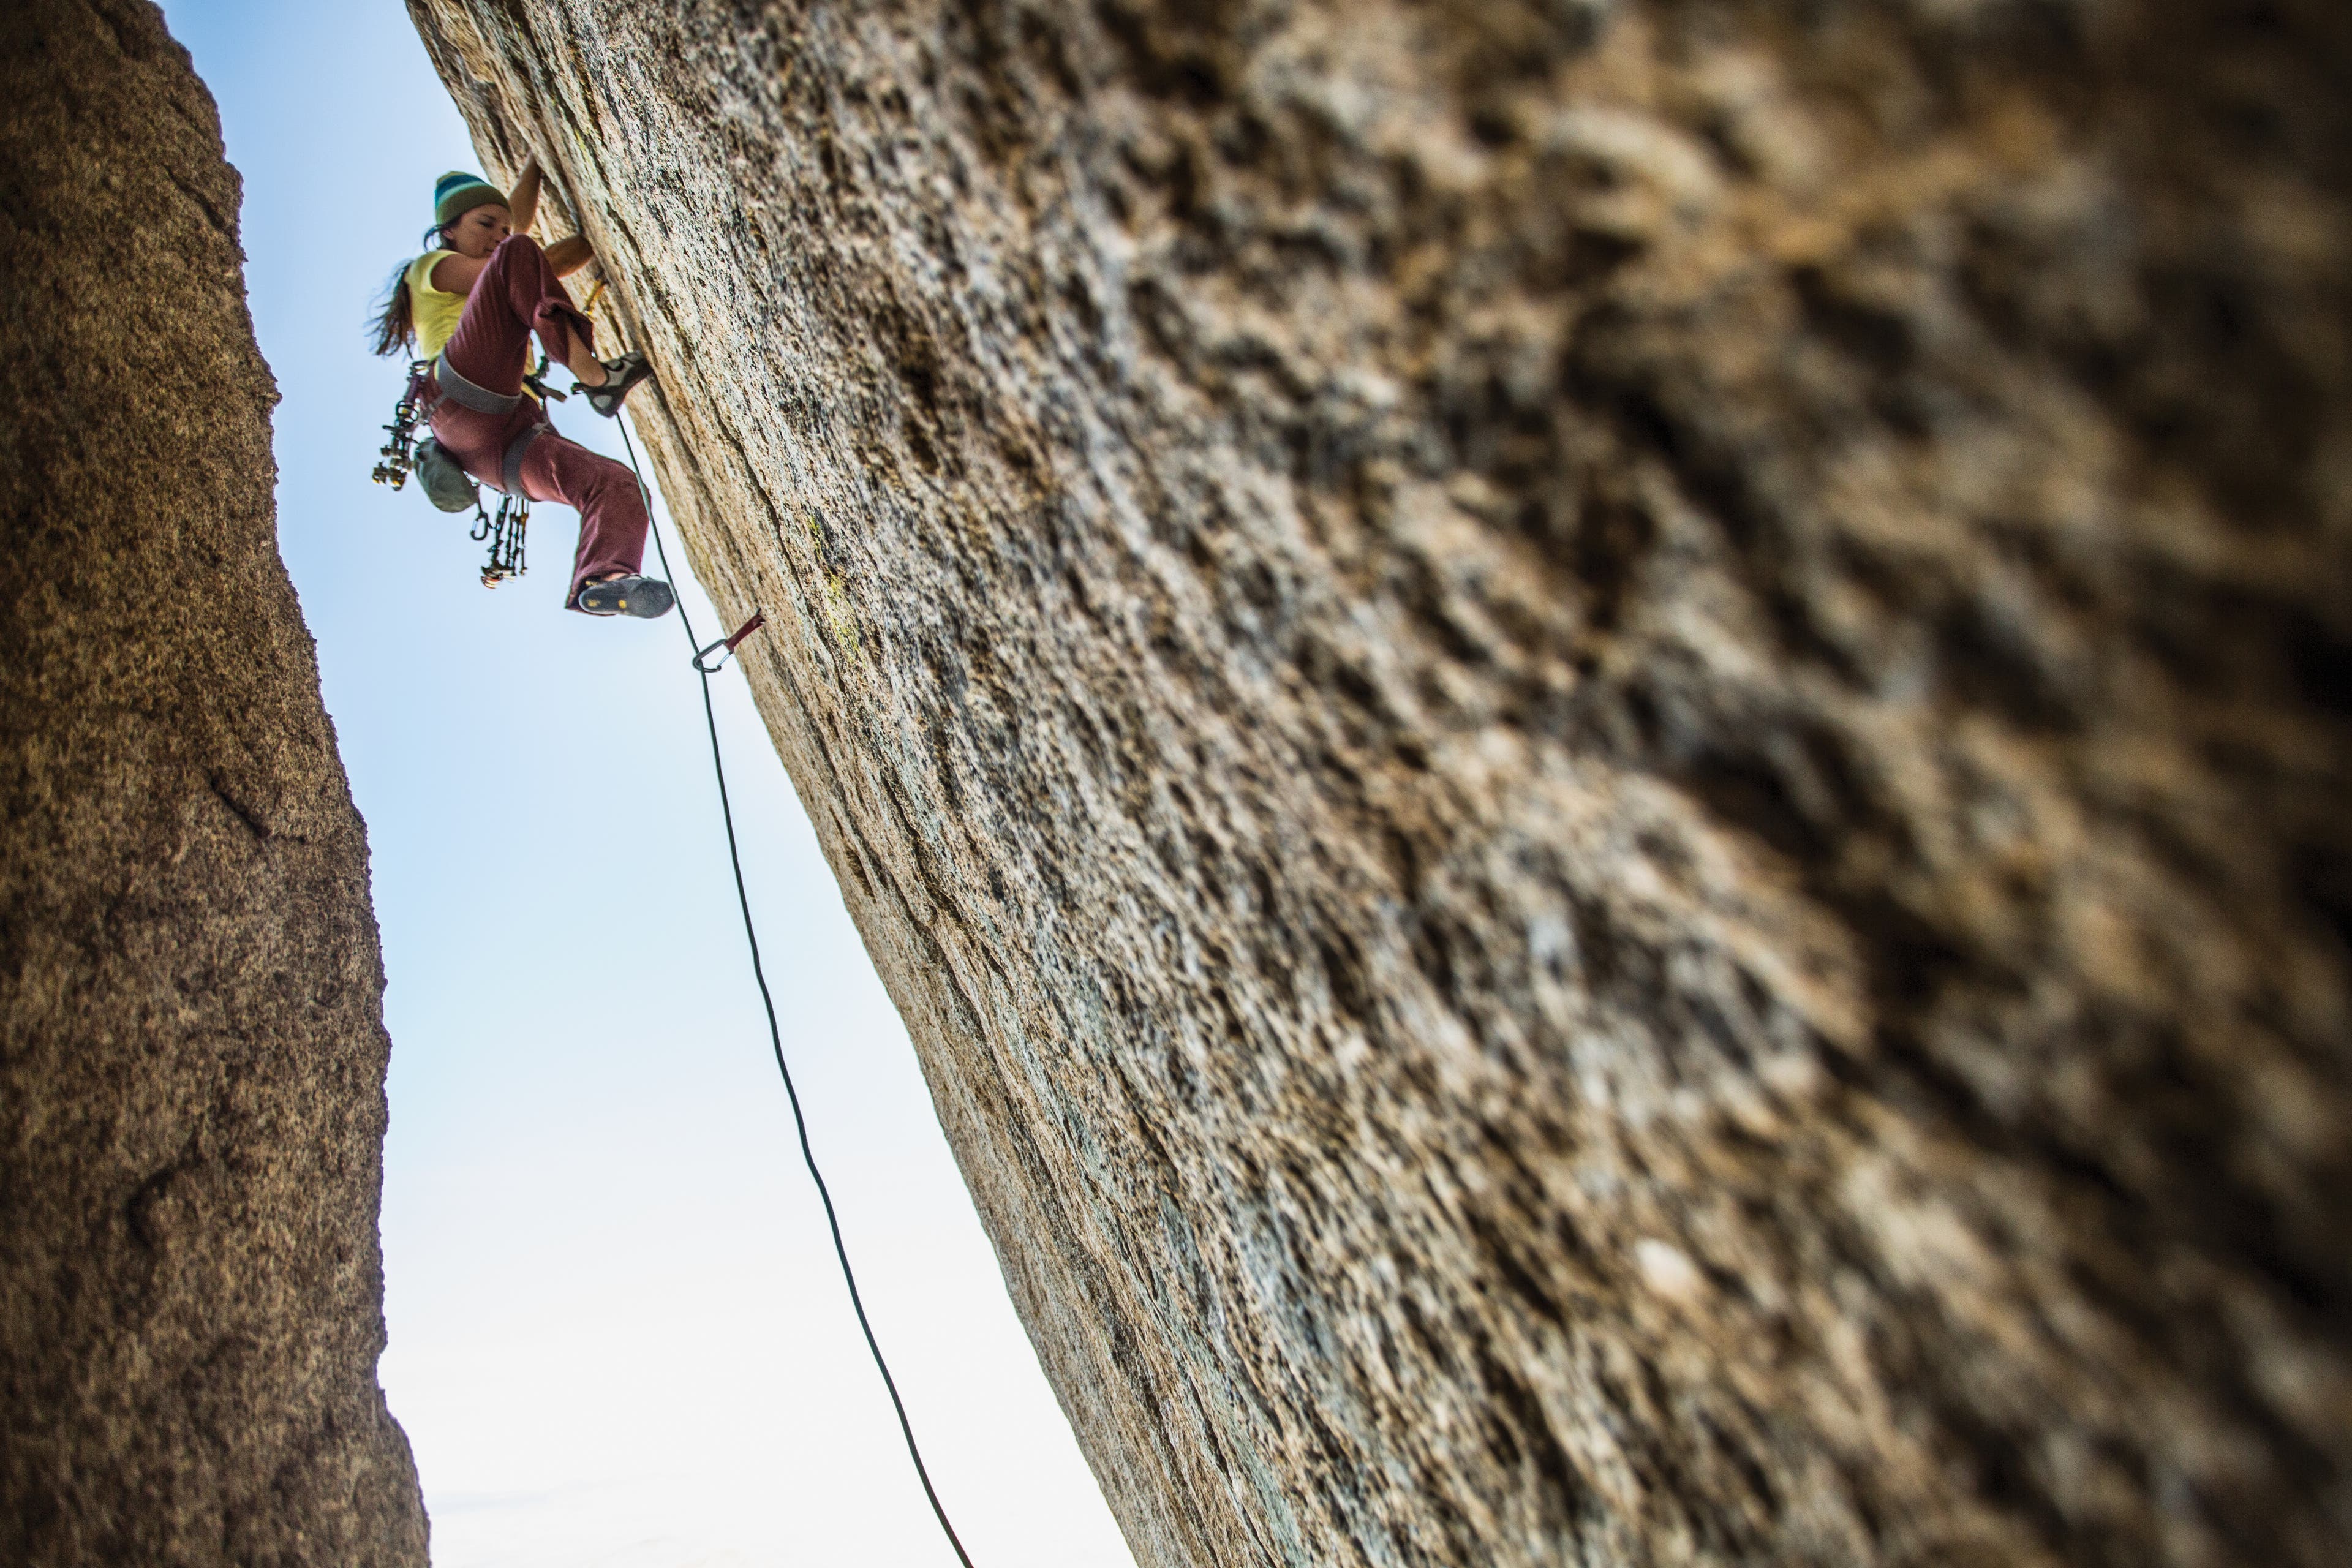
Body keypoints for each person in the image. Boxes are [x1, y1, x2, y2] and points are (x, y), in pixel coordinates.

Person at [372, 159, 673, 618]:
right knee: (516, 254)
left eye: (502, 224)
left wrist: (534, 165)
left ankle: (605, 579)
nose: (496, 232)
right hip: (463, 399)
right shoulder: (429, 268)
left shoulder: (505, 258)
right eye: (483, 224)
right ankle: (597, 379)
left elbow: (522, 252)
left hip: (505, 445)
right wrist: (534, 239)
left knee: (615, 484)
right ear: (448, 231)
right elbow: (512, 260)